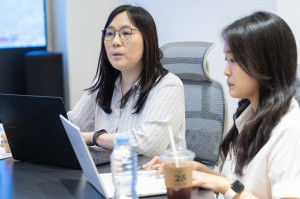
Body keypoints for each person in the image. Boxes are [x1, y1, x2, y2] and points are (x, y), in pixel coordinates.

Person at [143, 11, 300, 199]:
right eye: (227, 60)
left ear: (265, 63)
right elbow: (239, 187)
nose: (226, 71)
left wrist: (221, 184)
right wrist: (199, 170)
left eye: (233, 60)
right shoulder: (250, 115)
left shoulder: (291, 129)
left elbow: (230, 187)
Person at [0, 5, 186, 157]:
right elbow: (69, 125)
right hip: (108, 177)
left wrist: (95, 137)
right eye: (110, 33)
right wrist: (25, 136)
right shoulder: (104, 85)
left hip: (158, 184)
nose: (115, 41)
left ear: (148, 40)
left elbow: (147, 144)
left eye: (125, 33)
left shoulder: (168, 85)